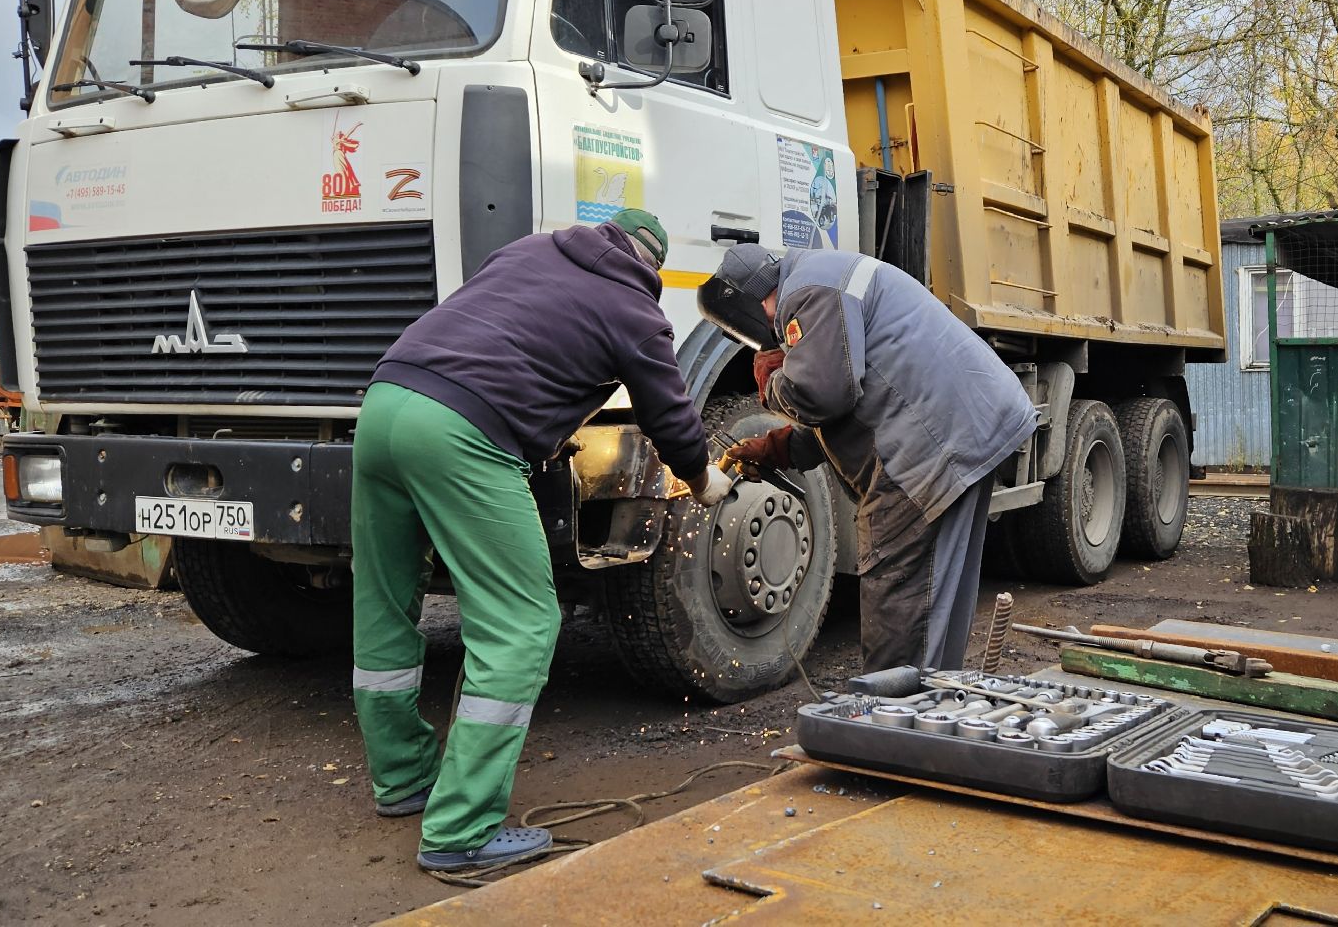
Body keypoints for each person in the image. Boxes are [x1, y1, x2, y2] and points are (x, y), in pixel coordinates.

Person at [351, 209, 732, 872]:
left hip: (384, 403)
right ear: (652, 268)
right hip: (461, 434)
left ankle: (403, 778)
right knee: (522, 625)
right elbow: (668, 413)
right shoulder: (633, 305)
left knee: (383, 604)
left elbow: (508, 343)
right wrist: (703, 479)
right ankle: (460, 832)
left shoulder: (528, 252)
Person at [697, 244, 1036, 673]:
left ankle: (893, 719)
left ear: (750, 297)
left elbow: (824, 394)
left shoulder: (806, 292)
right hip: (967, 428)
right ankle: (933, 707)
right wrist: (782, 448)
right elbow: (865, 401)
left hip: (932, 445)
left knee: (896, 587)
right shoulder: (822, 274)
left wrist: (771, 384)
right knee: (939, 597)